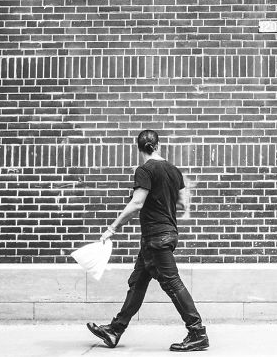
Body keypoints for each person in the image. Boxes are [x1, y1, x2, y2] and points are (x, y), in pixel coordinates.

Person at [86, 130, 209, 352]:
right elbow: (181, 203)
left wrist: (112, 228)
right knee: (138, 283)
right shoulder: (173, 170)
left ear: (139, 147)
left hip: (156, 237)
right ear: (158, 145)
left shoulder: (145, 170)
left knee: (173, 283)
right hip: (165, 233)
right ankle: (115, 330)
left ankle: (197, 332)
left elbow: (137, 203)